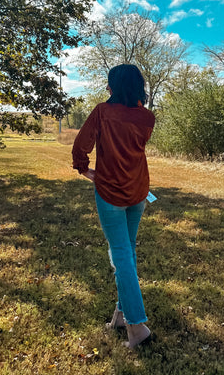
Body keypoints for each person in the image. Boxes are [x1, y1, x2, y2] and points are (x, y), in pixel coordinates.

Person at [72, 64, 155, 349]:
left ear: (113, 87)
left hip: (110, 192)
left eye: (109, 84)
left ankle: (137, 328)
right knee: (127, 253)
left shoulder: (102, 112)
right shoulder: (147, 117)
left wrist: (85, 169)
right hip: (139, 191)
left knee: (121, 256)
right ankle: (121, 317)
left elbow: (80, 145)